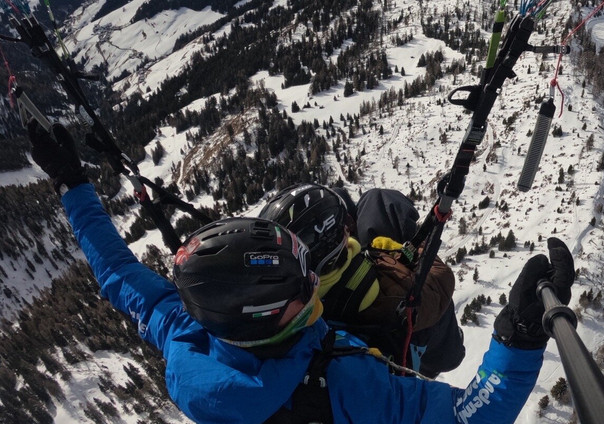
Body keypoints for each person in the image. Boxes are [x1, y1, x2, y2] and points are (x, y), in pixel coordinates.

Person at [28, 121, 574, 424]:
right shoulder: (344, 383)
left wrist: (72, 184)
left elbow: (117, 271)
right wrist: (516, 341)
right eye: (299, 285)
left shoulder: (186, 336)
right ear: (270, 318)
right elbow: (467, 417)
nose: (312, 281)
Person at [258, 184, 466, 377]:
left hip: (336, 302)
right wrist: (409, 253)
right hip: (427, 349)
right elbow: (437, 280)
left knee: (341, 193)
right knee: (383, 201)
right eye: (346, 226)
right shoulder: (397, 291)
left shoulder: (286, 304)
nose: (350, 229)